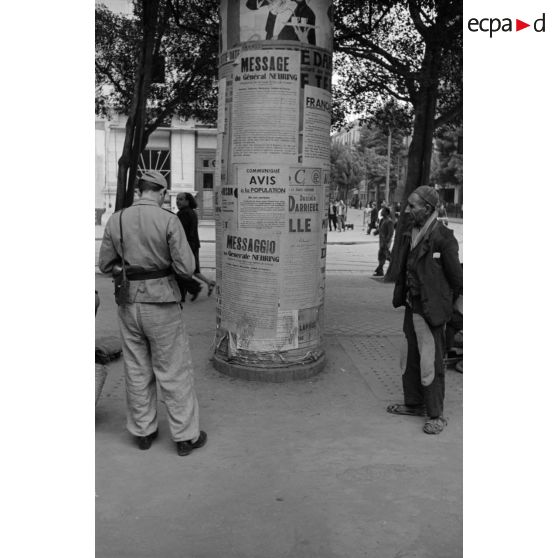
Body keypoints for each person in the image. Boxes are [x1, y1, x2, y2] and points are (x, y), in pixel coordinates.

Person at [98, 170, 208, 456]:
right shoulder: (168, 220)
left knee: (136, 368)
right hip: (162, 305)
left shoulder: (117, 218)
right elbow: (185, 268)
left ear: (140, 190)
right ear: (160, 192)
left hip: (128, 304)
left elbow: (105, 265)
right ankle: (185, 437)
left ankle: (143, 432)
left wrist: (128, 269)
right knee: (173, 369)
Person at [387, 185, 462, 435]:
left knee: (431, 361)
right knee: (408, 357)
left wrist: (453, 309)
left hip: (431, 310)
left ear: (427, 208)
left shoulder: (443, 237)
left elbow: (457, 279)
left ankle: (436, 414)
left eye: (412, 206)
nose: (407, 210)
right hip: (412, 305)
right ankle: (414, 404)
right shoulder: (411, 232)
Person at [176, 192, 216, 301]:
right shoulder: (192, 212)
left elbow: (180, 232)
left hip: (187, 246)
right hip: (193, 245)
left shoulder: (183, 214)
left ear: (187, 201)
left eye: (181, 199)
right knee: (193, 270)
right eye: (177, 199)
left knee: (182, 270)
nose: (177, 201)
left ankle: (192, 289)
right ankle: (209, 283)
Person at [246, 0, 316, 45]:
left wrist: (279, 38)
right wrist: (273, 13)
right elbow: (269, 32)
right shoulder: (275, 7)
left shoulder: (308, 13)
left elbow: (310, 44)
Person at [373, 207, 394, 276]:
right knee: (381, 256)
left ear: (386, 213)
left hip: (386, 242)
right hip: (381, 241)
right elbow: (380, 229)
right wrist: (376, 232)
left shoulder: (389, 221)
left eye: (383, 211)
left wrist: (386, 242)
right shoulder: (382, 220)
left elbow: (390, 233)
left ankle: (394, 266)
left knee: (386, 256)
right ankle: (380, 271)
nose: (381, 212)